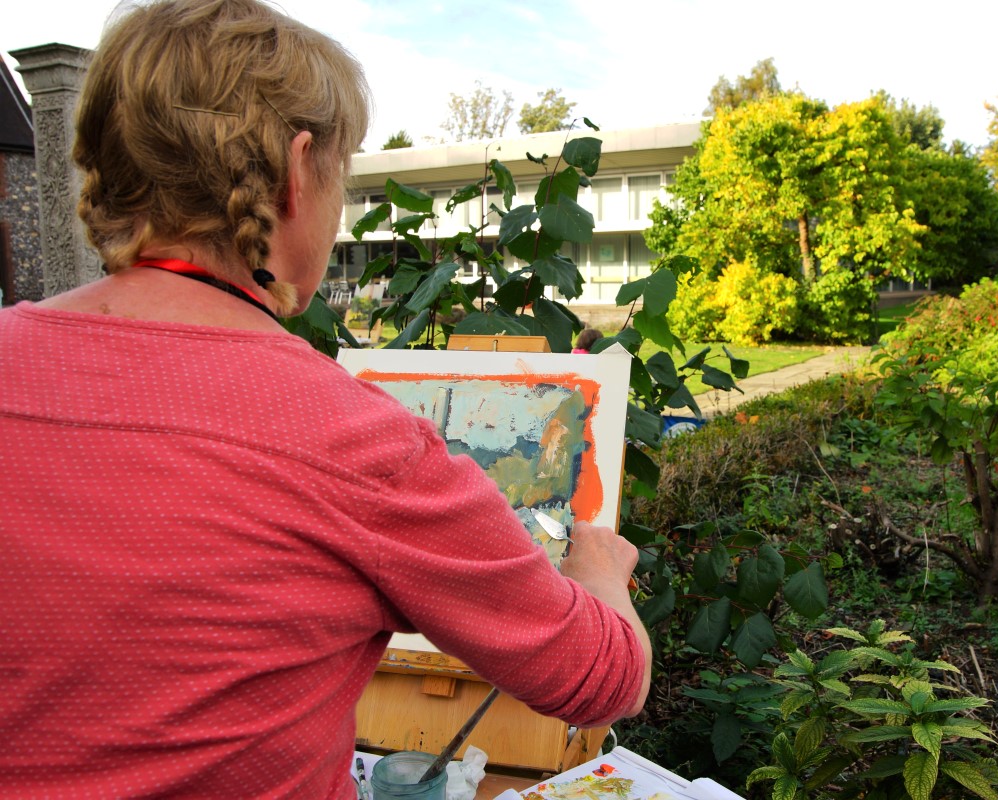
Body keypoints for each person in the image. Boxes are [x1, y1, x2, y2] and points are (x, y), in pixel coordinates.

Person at [0, 1, 650, 797]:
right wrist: (599, 573)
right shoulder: (350, 438)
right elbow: (600, 677)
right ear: (296, 172)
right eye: (344, 172)